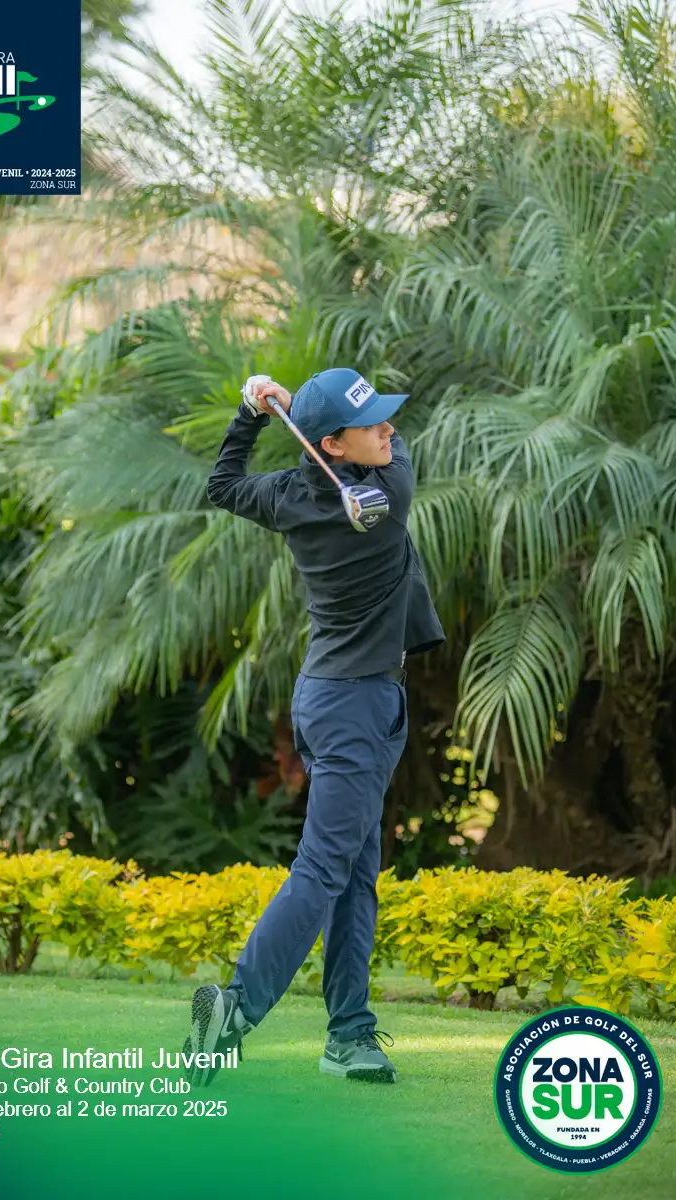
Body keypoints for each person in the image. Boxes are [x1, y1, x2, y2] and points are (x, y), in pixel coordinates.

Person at [183, 367, 445, 1087]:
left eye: (385, 417)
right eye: (371, 423)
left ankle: (349, 1036)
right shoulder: (389, 493)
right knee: (326, 867)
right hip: (358, 706)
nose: (387, 429)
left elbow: (224, 485)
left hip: (328, 697)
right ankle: (233, 1011)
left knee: (355, 872)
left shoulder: (290, 495)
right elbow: (398, 453)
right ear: (331, 442)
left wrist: (252, 412)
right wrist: (298, 410)